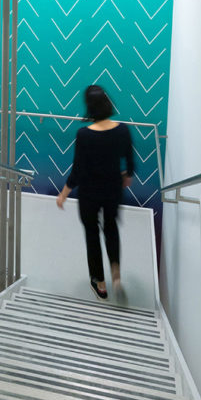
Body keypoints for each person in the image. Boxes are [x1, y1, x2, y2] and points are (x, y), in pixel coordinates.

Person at [56, 85, 133, 300]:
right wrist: (127, 175)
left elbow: (78, 170)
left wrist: (63, 194)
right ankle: (115, 272)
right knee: (111, 228)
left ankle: (100, 283)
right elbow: (130, 159)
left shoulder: (84, 135)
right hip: (112, 190)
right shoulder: (123, 130)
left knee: (92, 235)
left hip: (90, 193)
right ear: (108, 103)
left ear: (89, 107)